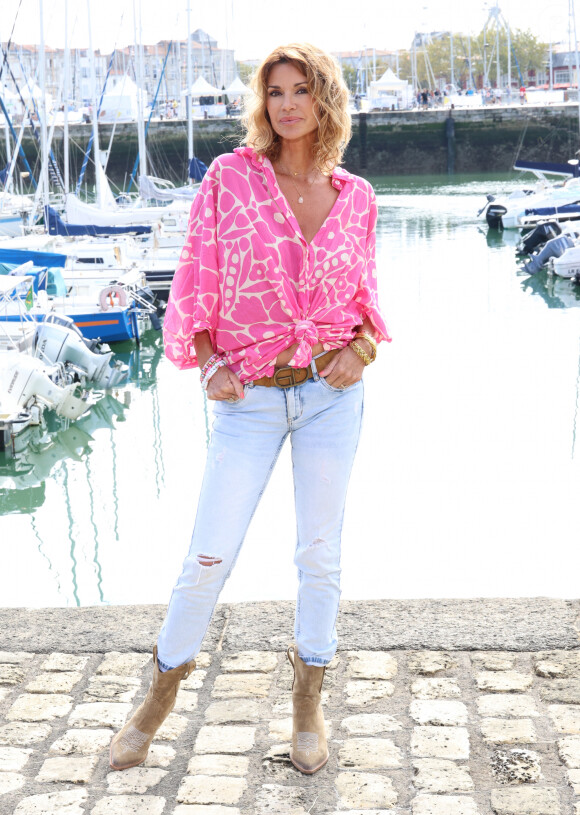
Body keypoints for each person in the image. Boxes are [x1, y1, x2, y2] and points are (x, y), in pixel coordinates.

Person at [110, 42, 389, 777]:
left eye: (302, 91)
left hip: (332, 400)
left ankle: (307, 705)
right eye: (275, 91)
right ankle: (157, 701)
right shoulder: (232, 179)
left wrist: (362, 350)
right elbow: (195, 276)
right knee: (208, 556)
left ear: (326, 101)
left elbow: (366, 302)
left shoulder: (356, 196)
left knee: (319, 557)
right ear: (262, 102)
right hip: (251, 402)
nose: (287, 104)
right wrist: (207, 361)